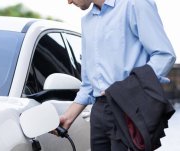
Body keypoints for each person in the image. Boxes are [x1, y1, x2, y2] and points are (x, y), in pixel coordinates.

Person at [56, 0, 176, 150]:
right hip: (99, 112)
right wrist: (68, 117)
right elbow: (88, 83)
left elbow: (164, 55)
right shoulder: (87, 21)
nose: (69, 2)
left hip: (128, 107)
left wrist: (127, 88)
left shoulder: (135, 4)